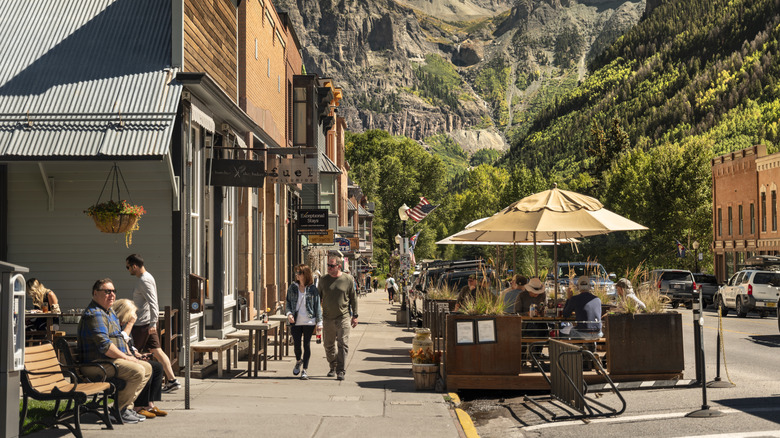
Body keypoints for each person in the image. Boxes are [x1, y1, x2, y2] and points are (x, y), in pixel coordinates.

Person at [77, 278, 153, 424]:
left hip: (107, 361)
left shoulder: (109, 312)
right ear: (95, 293)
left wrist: (132, 355)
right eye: (107, 291)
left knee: (147, 368)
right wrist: (127, 358)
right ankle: (118, 411)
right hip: (94, 365)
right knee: (137, 370)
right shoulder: (95, 314)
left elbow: (119, 339)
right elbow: (105, 346)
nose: (111, 294)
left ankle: (125, 409)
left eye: (113, 291)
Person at [126, 254, 181, 393]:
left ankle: (133, 385)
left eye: (128, 267)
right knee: (157, 351)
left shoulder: (144, 280)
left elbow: (153, 302)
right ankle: (173, 380)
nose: (128, 270)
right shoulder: (145, 278)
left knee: (132, 352)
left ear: (135, 266)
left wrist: (152, 323)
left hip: (142, 325)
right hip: (145, 323)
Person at [113, 299, 167, 419]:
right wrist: (130, 324)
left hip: (128, 356)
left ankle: (149, 403)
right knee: (146, 367)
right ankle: (138, 406)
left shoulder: (124, 324)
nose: (132, 318)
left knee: (157, 367)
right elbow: (121, 340)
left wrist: (136, 353)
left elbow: (129, 344)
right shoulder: (116, 324)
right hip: (118, 361)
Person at [318, 254, 358, 381]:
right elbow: (317, 299)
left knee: (343, 344)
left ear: (339, 266)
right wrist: (317, 316)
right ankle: (333, 366)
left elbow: (353, 298)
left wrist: (355, 315)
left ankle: (341, 370)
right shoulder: (323, 280)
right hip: (328, 317)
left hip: (344, 317)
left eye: (331, 265)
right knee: (328, 345)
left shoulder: (348, 279)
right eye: (328, 265)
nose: (329, 267)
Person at [285, 264, 323, 380]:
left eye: (299, 273)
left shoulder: (313, 289)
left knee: (306, 345)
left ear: (305, 274)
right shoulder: (292, 287)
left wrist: (319, 323)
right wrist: (289, 314)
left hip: (309, 321)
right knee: (297, 345)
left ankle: (305, 370)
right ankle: (298, 360)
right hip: (295, 321)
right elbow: (287, 303)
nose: (296, 275)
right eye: (296, 273)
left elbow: (317, 307)